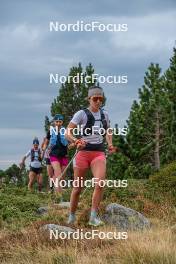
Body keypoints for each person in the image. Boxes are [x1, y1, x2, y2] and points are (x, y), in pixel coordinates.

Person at [65, 85, 116, 226]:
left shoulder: (105, 114)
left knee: (100, 183)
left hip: (98, 153)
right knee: (77, 189)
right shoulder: (81, 114)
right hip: (82, 153)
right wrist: (76, 140)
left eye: (101, 98)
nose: (98, 101)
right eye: (95, 99)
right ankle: (71, 216)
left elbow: (108, 131)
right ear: (89, 99)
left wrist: (110, 144)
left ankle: (93, 217)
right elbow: (67, 132)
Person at [48, 114, 69, 193]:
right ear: (54, 122)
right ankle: (58, 195)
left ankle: (53, 187)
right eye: (57, 122)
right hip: (54, 155)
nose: (58, 123)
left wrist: (75, 143)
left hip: (64, 155)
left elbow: (69, 142)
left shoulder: (66, 131)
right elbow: (46, 141)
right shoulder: (50, 131)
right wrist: (44, 149)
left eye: (60, 122)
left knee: (62, 176)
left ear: (62, 122)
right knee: (59, 175)